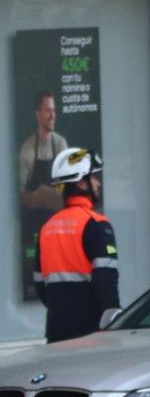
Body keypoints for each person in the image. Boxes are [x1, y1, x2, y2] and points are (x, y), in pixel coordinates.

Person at [33, 148, 118, 343]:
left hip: (57, 332)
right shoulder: (97, 225)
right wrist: (113, 320)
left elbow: (40, 284)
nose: (99, 183)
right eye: (94, 177)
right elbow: (106, 281)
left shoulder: (47, 228)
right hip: (91, 334)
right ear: (81, 183)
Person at [17, 90, 67, 293]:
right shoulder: (27, 150)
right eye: (48, 111)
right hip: (35, 227)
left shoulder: (61, 144)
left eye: (54, 111)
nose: (52, 115)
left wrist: (53, 195)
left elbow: (67, 187)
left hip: (57, 226)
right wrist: (31, 198)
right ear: (38, 114)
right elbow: (20, 194)